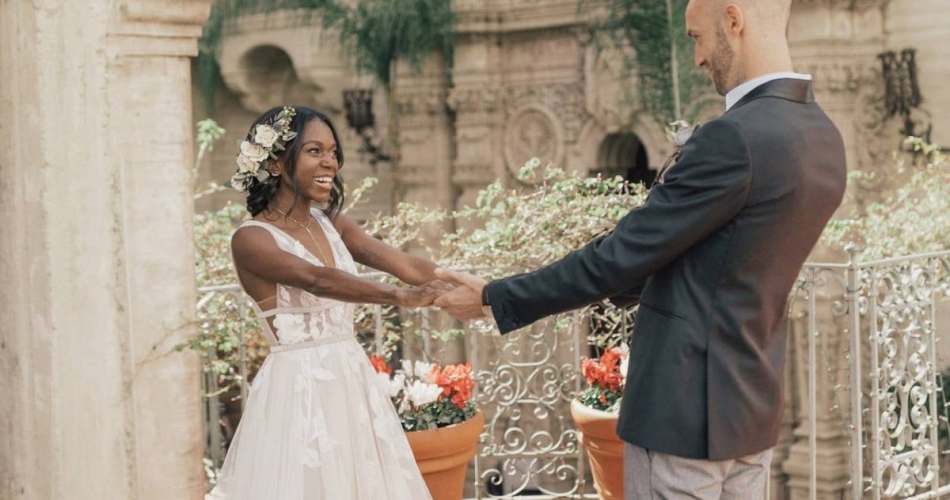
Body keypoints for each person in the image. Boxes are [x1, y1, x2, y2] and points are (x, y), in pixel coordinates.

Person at [434, 0, 847, 498]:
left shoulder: (732, 138)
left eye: (696, 36)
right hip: (752, 408)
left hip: (682, 415)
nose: (695, 57)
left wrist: (493, 297)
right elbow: (716, 256)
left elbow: (620, 254)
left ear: (733, 21)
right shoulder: (824, 137)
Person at [209, 105, 441, 499]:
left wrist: (464, 286)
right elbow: (316, 279)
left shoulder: (332, 221)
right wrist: (397, 297)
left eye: (333, 152)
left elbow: (400, 262)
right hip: (297, 390)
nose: (330, 162)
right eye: (314, 151)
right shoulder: (251, 239)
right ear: (279, 163)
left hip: (352, 379)